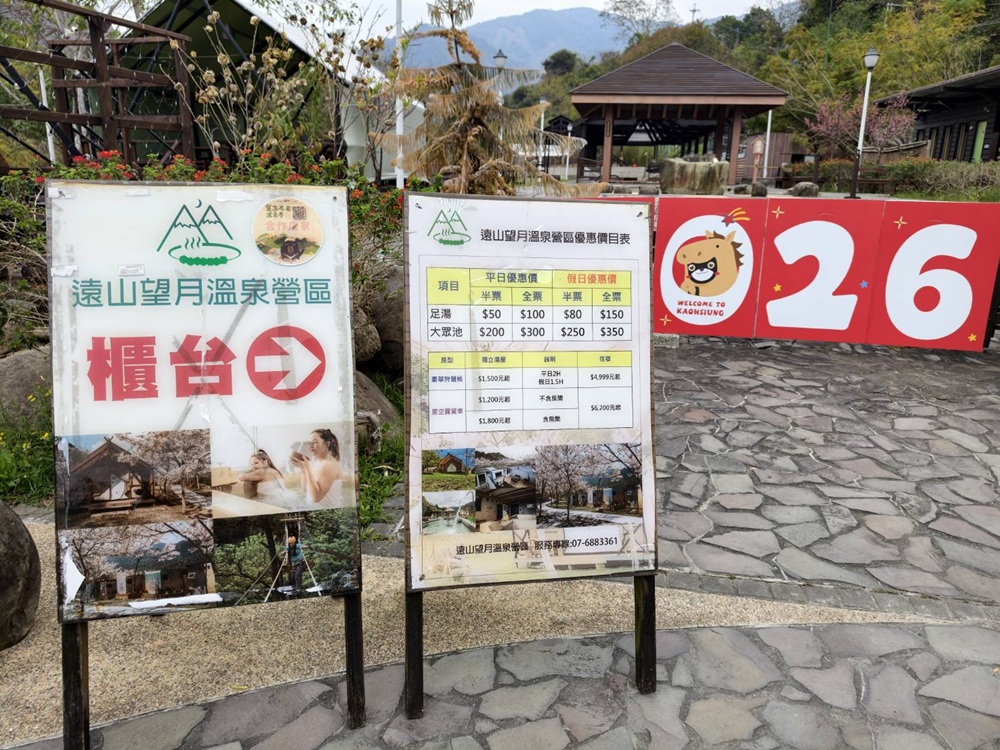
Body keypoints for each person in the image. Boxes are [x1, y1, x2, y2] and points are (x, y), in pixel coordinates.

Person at [290, 428, 344, 507]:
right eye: (309, 443)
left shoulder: (329, 465)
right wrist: (304, 470)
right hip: (312, 507)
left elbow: (316, 498)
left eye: (315, 442)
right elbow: (305, 489)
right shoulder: (316, 462)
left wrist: (307, 469)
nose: (310, 446)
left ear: (327, 444)